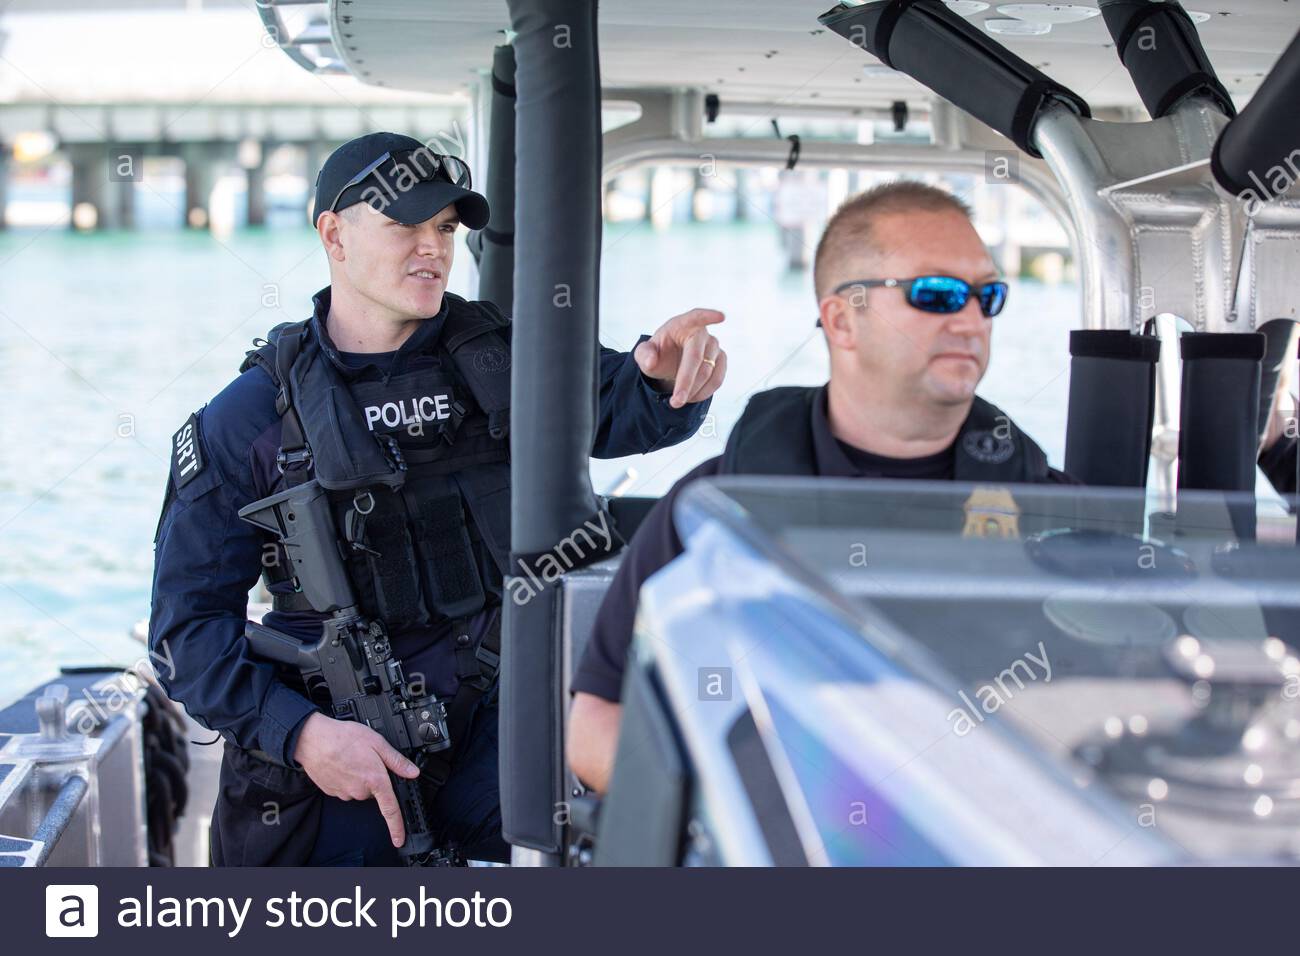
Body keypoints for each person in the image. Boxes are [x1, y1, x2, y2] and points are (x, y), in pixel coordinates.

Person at [149, 132, 727, 866]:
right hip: (340, 760)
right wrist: (302, 735)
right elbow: (184, 630)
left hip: (497, 737)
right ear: (333, 234)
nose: (433, 248)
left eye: (446, 229)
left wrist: (662, 371)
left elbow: (622, 406)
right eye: (405, 226)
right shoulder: (249, 418)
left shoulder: (498, 357)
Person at [567, 180, 1074, 793]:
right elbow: (595, 725)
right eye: (937, 294)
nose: (971, 320)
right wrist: (751, 819)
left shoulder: (1049, 512)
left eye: (986, 296)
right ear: (843, 318)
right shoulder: (721, 506)